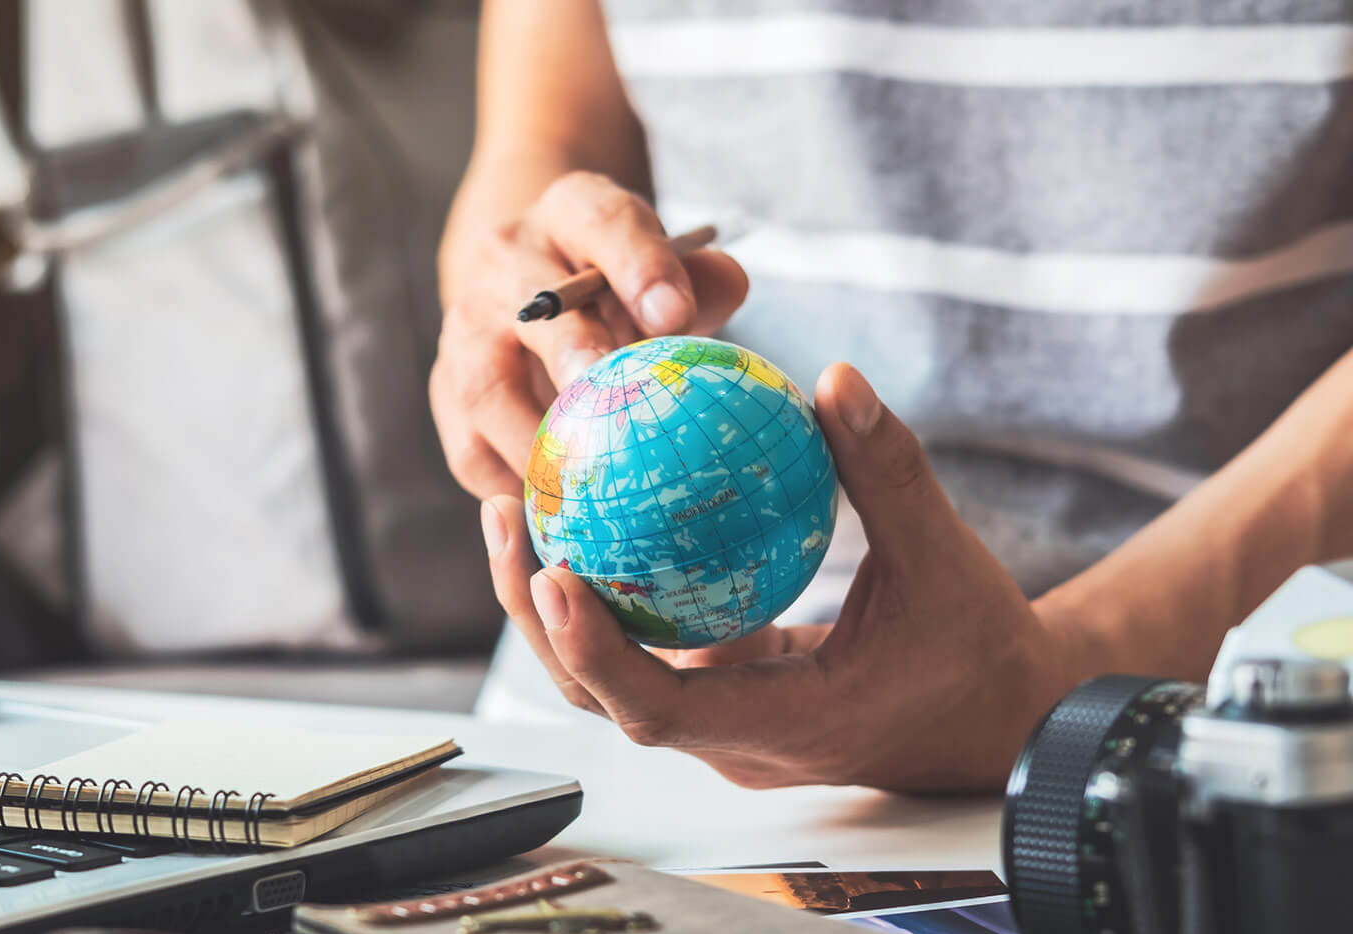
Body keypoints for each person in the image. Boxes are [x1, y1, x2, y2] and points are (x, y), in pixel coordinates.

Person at [429, 1, 1353, 793]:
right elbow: (546, 136)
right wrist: (500, 289)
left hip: (1225, 709)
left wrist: (1066, 665)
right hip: (605, 715)